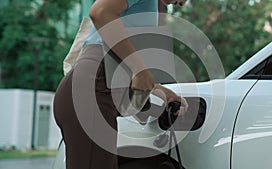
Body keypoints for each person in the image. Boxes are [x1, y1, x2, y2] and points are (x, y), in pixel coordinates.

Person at [53, 0, 188, 169]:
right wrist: (139, 69)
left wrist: (160, 90)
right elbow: (100, 12)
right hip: (91, 88)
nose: (184, 3)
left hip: (94, 88)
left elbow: (119, 66)